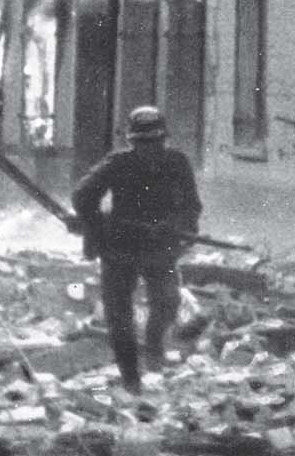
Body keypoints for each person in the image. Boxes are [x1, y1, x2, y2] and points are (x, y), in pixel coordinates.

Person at [71, 106, 202, 395]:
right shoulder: (117, 163)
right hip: (121, 248)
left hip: (160, 247)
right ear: (132, 142)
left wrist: (176, 225)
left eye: (154, 142)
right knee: (119, 317)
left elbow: (192, 206)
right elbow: (82, 196)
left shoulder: (177, 163)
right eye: (142, 143)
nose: (148, 149)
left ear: (163, 141)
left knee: (167, 302)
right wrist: (99, 225)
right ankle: (131, 377)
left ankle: (154, 346)